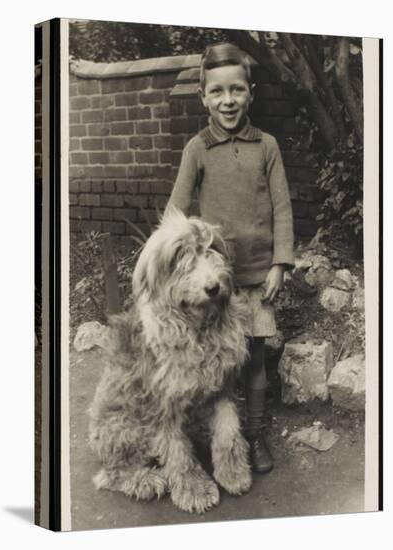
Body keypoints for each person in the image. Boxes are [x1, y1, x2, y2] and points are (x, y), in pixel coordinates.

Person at [164, 42, 294, 473]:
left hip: (256, 279)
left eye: (236, 90)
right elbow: (175, 214)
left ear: (250, 92)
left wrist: (279, 263)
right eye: (217, 92)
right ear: (203, 97)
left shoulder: (267, 147)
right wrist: (179, 266)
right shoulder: (197, 149)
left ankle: (254, 437)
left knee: (254, 360)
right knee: (218, 366)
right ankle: (221, 439)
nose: (228, 100)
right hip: (215, 286)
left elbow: (282, 208)